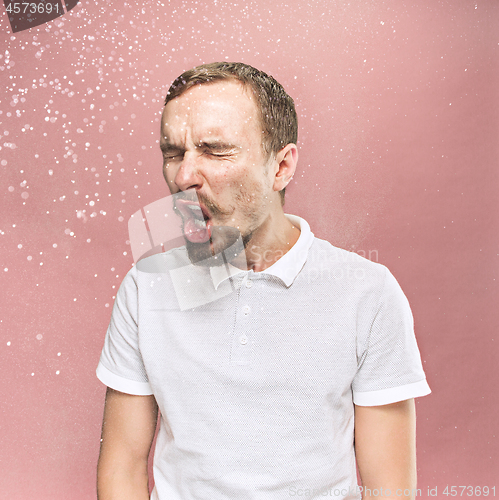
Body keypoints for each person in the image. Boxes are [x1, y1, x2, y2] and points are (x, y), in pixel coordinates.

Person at [96, 62, 431, 500]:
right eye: (174, 152)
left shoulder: (367, 293)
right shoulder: (146, 287)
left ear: (282, 167)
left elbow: (390, 488)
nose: (183, 177)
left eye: (215, 151)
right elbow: (121, 465)